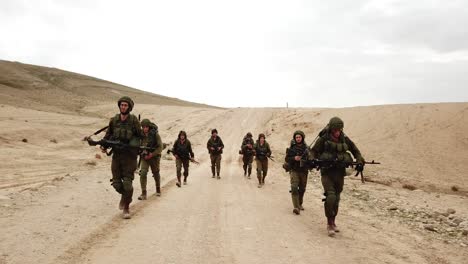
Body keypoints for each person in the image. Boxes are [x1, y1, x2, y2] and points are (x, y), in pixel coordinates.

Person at [309, 117, 365, 237]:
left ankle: (333, 221)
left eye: (339, 129)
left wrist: (359, 160)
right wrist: (312, 160)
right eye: (335, 130)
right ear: (331, 129)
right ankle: (329, 223)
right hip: (327, 172)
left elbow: (355, 151)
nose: (337, 132)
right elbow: (313, 151)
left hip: (339, 173)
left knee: (337, 198)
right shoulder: (323, 139)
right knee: (330, 196)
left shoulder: (344, 139)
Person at [101, 96, 143, 219]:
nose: (123, 107)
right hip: (117, 156)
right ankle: (125, 197)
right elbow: (108, 135)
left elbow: (140, 136)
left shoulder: (134, 120)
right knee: (116, 184)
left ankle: (126, 207)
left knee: (128, 184)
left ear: (129, 107)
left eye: (126, 105)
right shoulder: (114, 120)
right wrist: (103, 146)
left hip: (129, 157)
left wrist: (136, 145)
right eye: (122, 105)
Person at [137, 119, 163, 200]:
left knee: (156, 173)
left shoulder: (155, 135)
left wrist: (152, 154)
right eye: (143, 127)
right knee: (143, 173)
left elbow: (160, 147)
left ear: (149, 127)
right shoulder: (141, 135)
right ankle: (143, 193)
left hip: (154, 157)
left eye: (146, 127)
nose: (145, 128)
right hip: (145, 157)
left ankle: (158, 188)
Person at [284, 131, 308, 214]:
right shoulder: (292, 148)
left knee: (302, 189)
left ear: (302, 138)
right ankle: (296, 207)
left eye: (299, 137)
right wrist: (294, 158)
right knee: (294, 187)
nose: (298, 139)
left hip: (304, 171)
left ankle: (300, 203)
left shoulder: (306, 148)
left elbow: (311, 159)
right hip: (294, 170)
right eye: (297, 137)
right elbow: (287, 159)